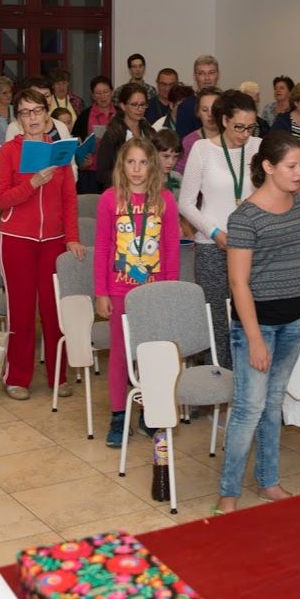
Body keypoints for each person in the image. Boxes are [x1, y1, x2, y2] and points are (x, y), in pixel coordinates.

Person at [215, 132, 300, 515]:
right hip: (258, 326)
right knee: (248, 408)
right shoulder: (244, 217)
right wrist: (254, 339)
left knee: (274, 403)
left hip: (293, 321)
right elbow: (238, 282)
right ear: (269, 167)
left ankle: (268, 481)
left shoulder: (299, 204)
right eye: (292, 166)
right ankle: (228, 492)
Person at [91, 135, 183, 445]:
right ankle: (119, 416)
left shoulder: (165, 200)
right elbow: (103, 247)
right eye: (131, 162)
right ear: (122, 165)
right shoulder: (109, 199)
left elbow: (171, 248)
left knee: (151, 355)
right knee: (120, 354)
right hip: (119, 290)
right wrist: (101, 292)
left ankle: (148, 412)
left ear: (152, 166)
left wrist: (168, 291)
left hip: (154, 293)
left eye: (143, 163)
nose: (136, 169)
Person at [0, 88, 82, 400]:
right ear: (18, 119)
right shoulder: (8, 152)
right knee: (20, 311)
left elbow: (69, 199)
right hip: (17, 239)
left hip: (53, 241)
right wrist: (31, 184)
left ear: (46, 115)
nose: (32, 117)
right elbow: (1, 200)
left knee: (54, 310)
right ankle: (17, 377)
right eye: (25, 112)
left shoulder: (60, 152)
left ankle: (59, 376)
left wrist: (72, 237)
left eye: (37, 111)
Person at [178, 90, 261, 368]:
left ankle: (246, 378)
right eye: (239, 127)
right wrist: (215, 233)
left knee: (249, 317)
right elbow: (186, 203)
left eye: (250, 127)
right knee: (217, 318)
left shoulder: (260, 148)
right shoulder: (202, 149)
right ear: (224, 120)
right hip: (212, 246)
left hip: (251, 247)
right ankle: (221, 379)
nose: (245, 134)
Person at [92, 82, 151, 184]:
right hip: (120, 189)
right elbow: (102, 174)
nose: (140, 109)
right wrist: (127, 179)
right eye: (134, 105)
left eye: (143, 104)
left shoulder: (149, 132)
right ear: (123, 106)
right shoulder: (112, 134)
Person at [73, 75, 115, 194]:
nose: (102, 97)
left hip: (115, 172)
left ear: (112, 92)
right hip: (90, 172)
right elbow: (76, 143)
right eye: (98, 93)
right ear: (92, 96)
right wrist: (81, 162)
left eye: (105, 92)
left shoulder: (121, 114)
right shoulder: (84, 116)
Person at [176, 86, 222, 173]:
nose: (210, 114)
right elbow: (180, 175)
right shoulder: (189, 142)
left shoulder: (232, 137)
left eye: (214, 109)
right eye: (205, 110)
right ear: (197, 112)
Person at [175, 56, 221, 137]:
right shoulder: (185, 107)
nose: (207, 78)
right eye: (201, 73)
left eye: (211, 73)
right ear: (195, 76)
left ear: (218, 75)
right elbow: (183, 141)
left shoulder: (227, 103)